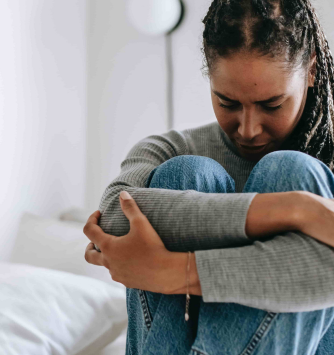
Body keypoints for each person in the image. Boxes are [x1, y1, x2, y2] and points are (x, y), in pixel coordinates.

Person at [83, 0, 334, 354]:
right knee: (186, 172)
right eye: (228, 102)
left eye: (272, 104)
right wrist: (297, 209)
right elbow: (112, 215)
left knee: (293, 171)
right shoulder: (169, 148)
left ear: (310, 71)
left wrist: (175, 271)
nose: (248, 129)